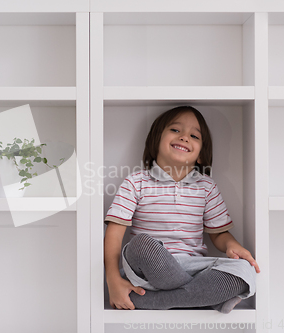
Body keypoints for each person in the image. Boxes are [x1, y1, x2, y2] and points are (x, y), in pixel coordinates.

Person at [103, 105, 260, 313]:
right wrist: (113, 281)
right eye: (175, 130)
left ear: (201, 155)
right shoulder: (136, 182)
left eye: (194, 135)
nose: (185, 137)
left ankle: (157, 301)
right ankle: (204, 298)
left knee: (245, 271)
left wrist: (233, 245)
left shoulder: (207, 187)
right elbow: (113, 235)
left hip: (193, 268)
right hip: (148, 272)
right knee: (140, 244)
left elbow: (220, 234)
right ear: (156, 140)